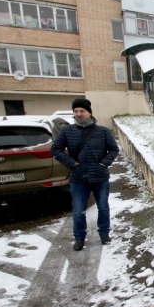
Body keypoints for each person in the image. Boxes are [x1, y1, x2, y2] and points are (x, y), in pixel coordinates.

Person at [51, 99, 120, 251]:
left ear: (89, 112)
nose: (79, 114)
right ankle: (79, 237)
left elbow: (114, 149)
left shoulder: (102, 131)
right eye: (76, 111)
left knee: (103, 207)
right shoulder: (67, 131)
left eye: (82, 111)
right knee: (78, 210)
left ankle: (104, 233)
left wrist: (103, 164)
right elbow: (55, 149)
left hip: (100, 177)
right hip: (78, 178)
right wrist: (72, 163)